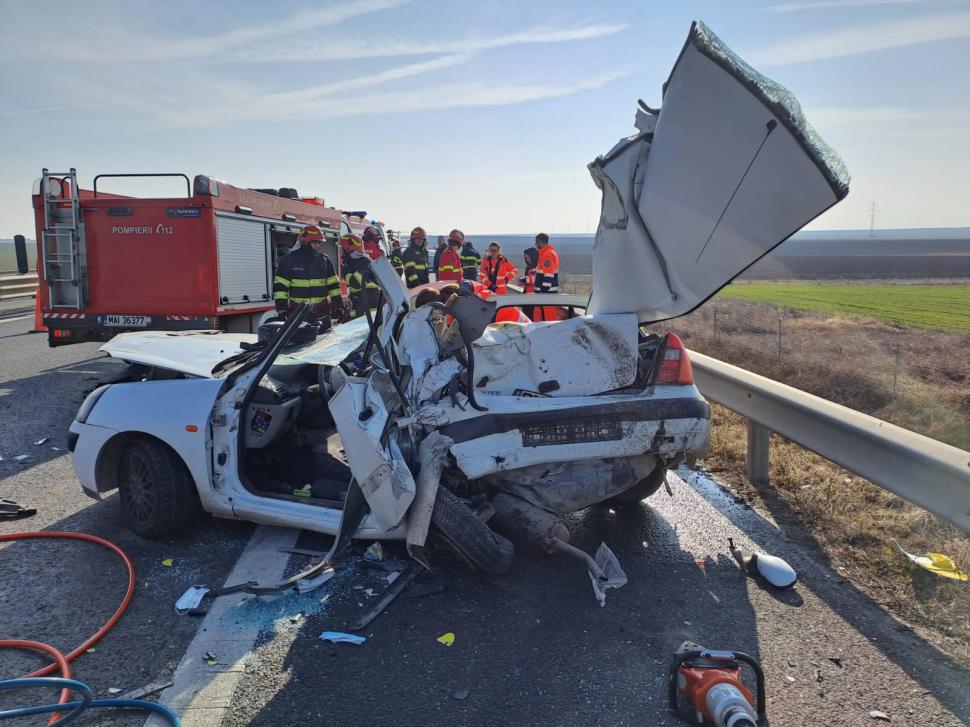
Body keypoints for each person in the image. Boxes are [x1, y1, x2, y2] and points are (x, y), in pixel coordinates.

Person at [273, 224, 342, 322]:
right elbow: (280, 288)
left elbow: (334, 286)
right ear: (305, 242)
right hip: (298, 313)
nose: (318, 245)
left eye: (319, 242)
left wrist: (338, 306)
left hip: (322, 313)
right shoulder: (289, 260)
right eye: (315, 242)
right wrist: (282, 309)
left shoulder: (324, 260)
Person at [340, 234, 379, 318]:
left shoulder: (364, 262)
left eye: (342, 248)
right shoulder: (354, 261)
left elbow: (356, 283)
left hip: (367, 306)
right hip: (360, 302)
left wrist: (346, 271)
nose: (341, 252)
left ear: (348, 248)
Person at [532, 232, 560, 322]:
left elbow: (549, 275)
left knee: (549, 318)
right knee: (543, 317)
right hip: (544, 292)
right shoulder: (547, 253)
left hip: (546, 293)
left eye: (536, 242)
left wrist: (543, 291)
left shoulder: (548, 254)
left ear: (540, 242)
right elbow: (544, 271)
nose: (536, 245)